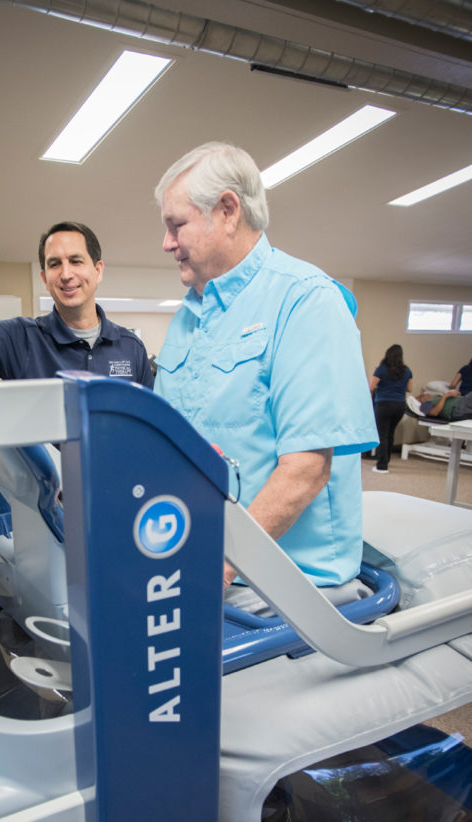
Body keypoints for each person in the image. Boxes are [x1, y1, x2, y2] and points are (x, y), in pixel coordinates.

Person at [153, 141, 378, 592]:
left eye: (176, 225)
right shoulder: (190, 315)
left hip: (286, 586)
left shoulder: (306, 299)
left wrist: (215, 570)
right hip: (200, 559)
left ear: (228, 211)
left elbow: (306, 469)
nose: (166, 243)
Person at [0, 221, 154, 388]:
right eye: (55, 264)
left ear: (97, 271)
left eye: (76, 261)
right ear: (44, 278)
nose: (66, 274)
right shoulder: (21, 337)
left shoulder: (130, 346)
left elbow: (149, 423)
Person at [369, 344, 413, 474]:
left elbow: (372, 387)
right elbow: (410, 389)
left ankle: (381, 466)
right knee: (390, 433)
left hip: (383, 404)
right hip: (399, 405)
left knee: (382, 435)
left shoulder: (381, 369)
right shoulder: (407, 370)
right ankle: (386, 460)